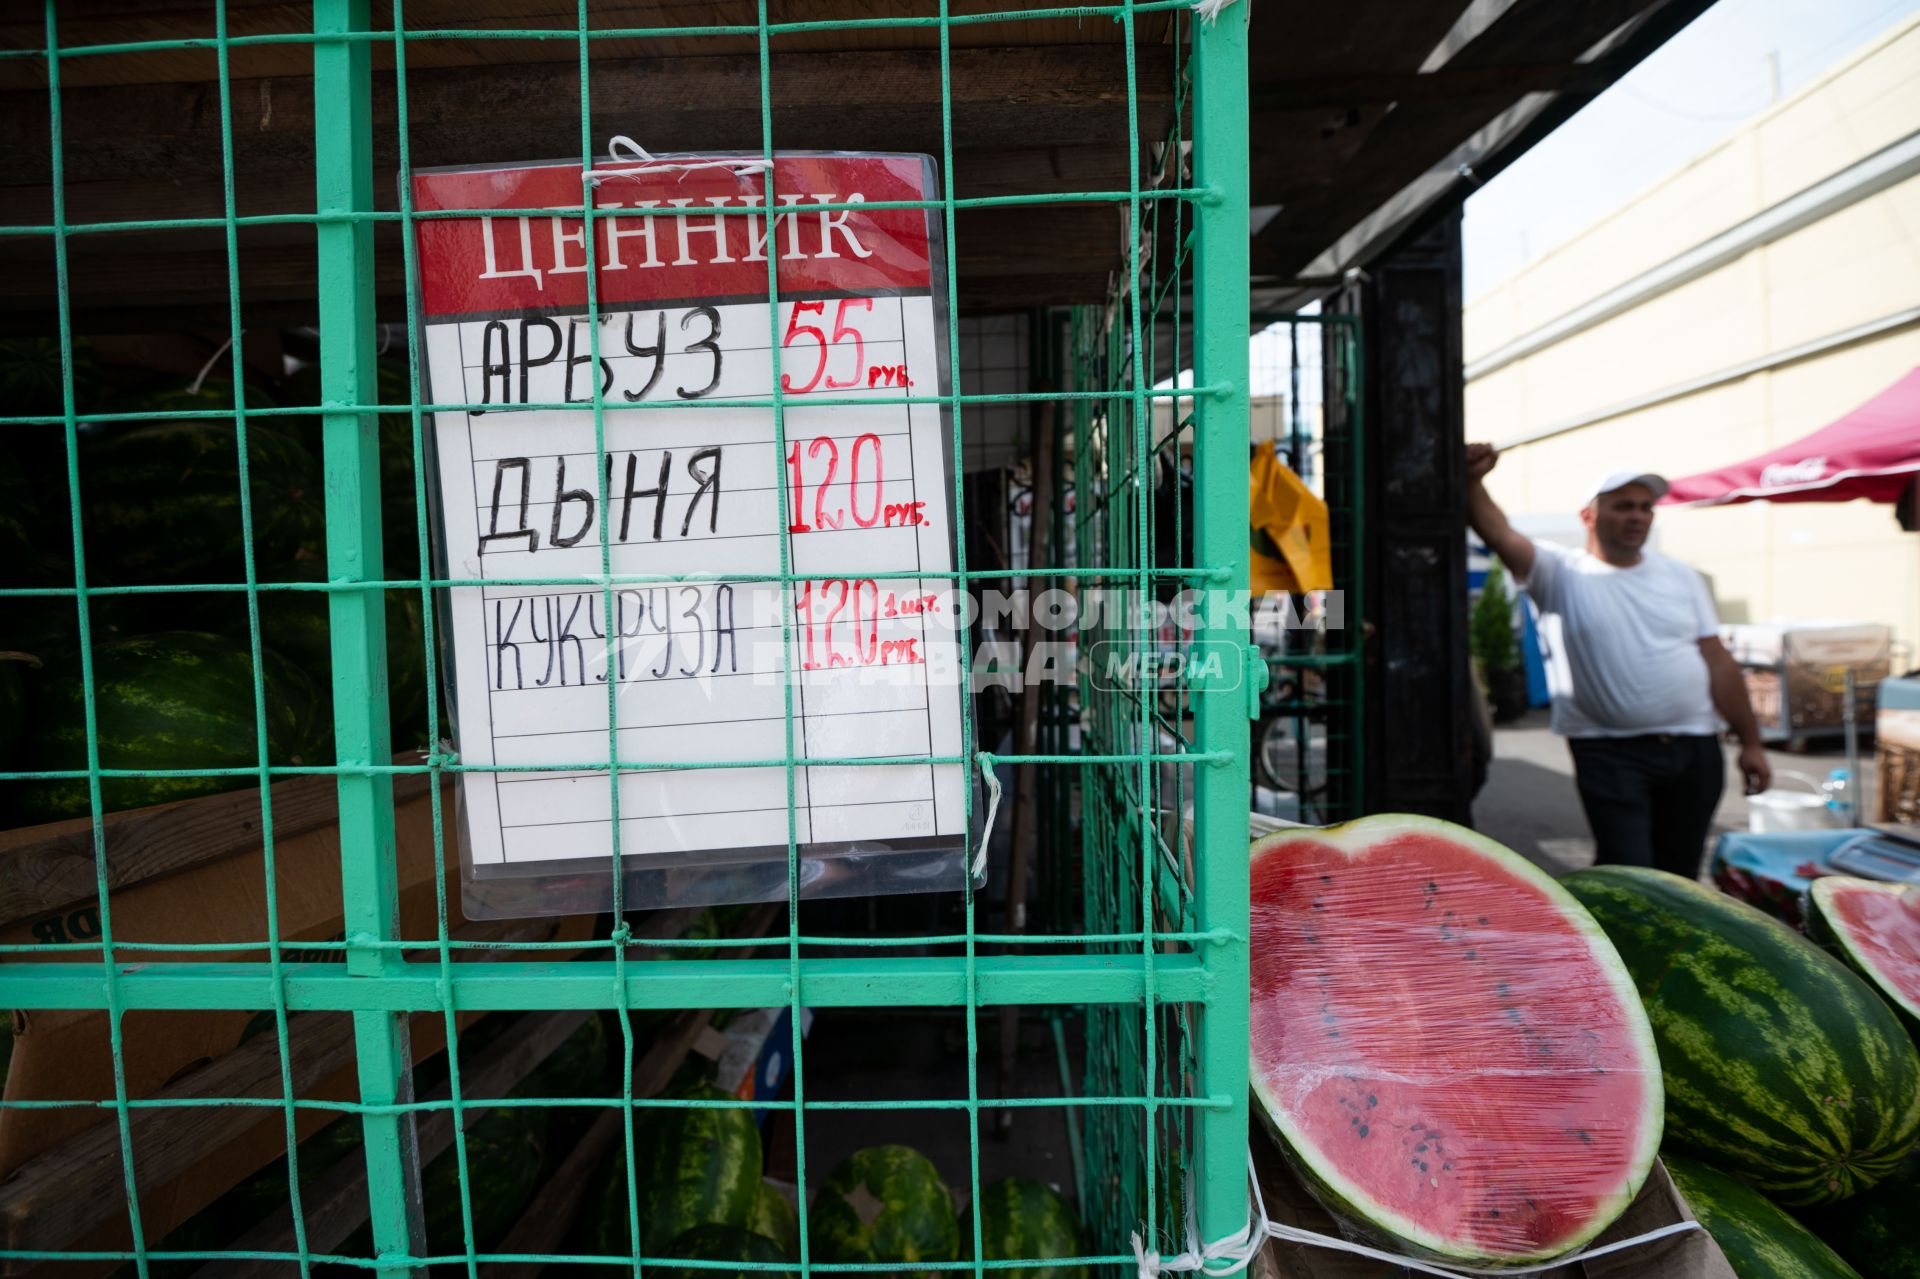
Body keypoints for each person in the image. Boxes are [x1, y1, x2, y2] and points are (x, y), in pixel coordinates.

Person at [1465, 443, 1771, 877]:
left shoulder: (1681, 576)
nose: (1638, 516)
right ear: (1588, 516)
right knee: (1630, 871)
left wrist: (1753, 743)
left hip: (1695, 749)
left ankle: (1671, 946)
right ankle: (1623, 947)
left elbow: (1717, 661)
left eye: (1646, 508)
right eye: (1623, 506)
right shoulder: (1561, 573)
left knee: (1681, 874)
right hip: (1610, 752)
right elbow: (1497, 532)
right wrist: (1474, 480)